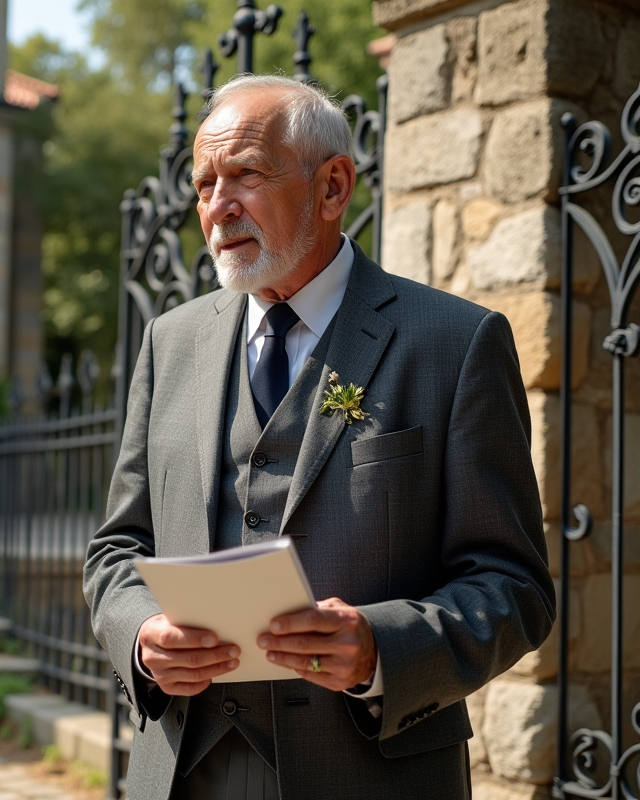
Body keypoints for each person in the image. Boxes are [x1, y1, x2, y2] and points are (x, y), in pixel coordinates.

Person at [82, 75, 555, 800]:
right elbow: (116, 549)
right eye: (204, 185)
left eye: (246, 175)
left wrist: (380, 648)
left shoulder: (455, 343)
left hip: (371, 774)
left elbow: (514, 588)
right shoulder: (170, 341)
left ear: (333, 186)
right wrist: (142, 637)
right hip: (181, 770)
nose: (218, 207)